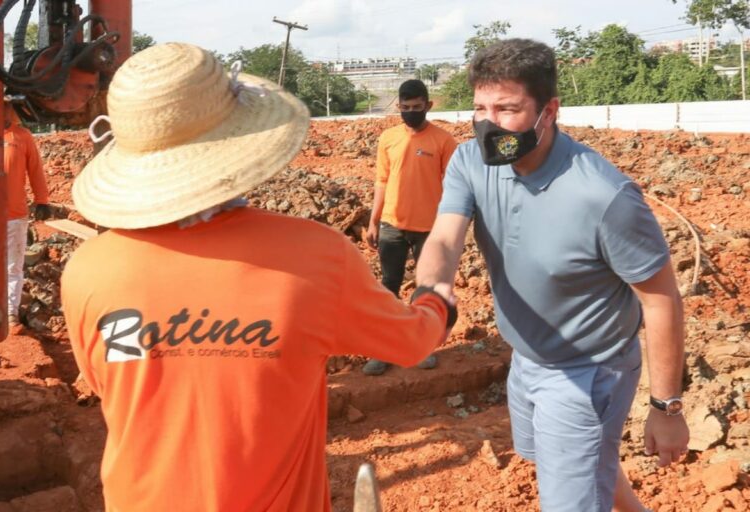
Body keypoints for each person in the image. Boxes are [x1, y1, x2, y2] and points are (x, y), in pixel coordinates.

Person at [61, 43, 456, 512]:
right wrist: (435, 293)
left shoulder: (88, 269)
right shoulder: (314, 257)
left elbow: (112, 382)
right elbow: (413, 342)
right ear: (240, 139)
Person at [416, 39, 689, 512]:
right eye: (480, 107)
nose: (489, 122)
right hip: (527, 356)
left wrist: (666, 407)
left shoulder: (604, 197)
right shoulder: (468, 161)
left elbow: (661, 298)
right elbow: (443, 239)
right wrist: (434, 288)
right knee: (568, 459)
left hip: (587, 371)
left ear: (549, 110)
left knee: (573, 486)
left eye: (507, 108)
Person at [363, 79, 458, 376]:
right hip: (392, 225)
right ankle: (384, 350)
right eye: (405, 108)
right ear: (398, 107)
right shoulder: (388, 138)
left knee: (426, 290)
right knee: (388, 289)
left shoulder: (444, 141)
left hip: (429, 229)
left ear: (428, 106)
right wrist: (374, 221)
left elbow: (454, 187)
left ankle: (421, 348)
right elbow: (381, 180)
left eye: (417, 108)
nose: (411, 112)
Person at [3, 100, 51, 331]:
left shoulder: (21, 136)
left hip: (13, 215)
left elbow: (35, 169)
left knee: (13, 266)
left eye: (6, 105)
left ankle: (10, 314)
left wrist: (42, 200)